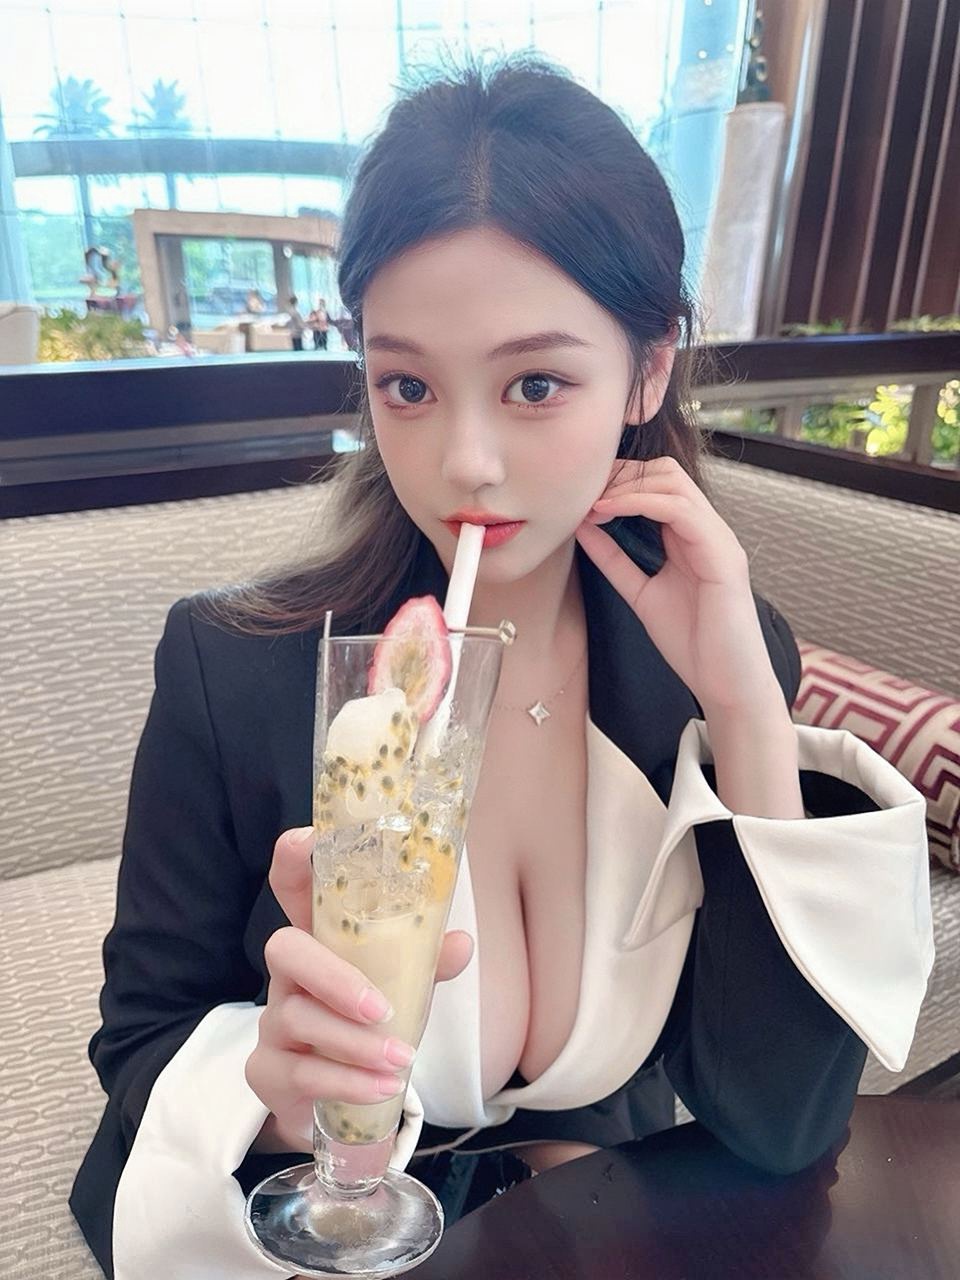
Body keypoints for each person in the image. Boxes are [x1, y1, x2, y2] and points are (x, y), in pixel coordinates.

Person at [70, 54, 934, 1279]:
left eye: (535, 383)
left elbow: (782, 1122)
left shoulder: (717, 663)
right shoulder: (236, 667)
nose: (464, 461)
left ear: (648, 369)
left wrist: (746, 710)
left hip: (591, 1229)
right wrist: (271, 1093)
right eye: (408, 384)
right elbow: (141, 1038)